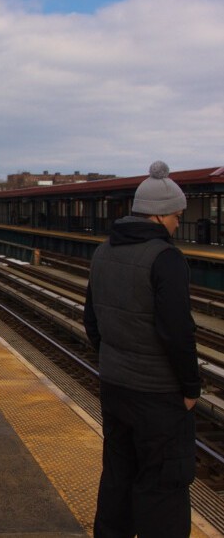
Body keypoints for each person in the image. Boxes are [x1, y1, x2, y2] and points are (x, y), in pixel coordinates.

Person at [84, 161, 201, 538]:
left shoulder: (103, 252)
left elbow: (92, 321)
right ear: (160, 215)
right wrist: (190, 388)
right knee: (162, 485)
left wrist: (114, 360)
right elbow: (177, 332)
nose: (178, 224)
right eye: (177, 216)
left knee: (118, 475)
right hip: (158, 396)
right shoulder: (166, 258)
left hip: (115, 388)